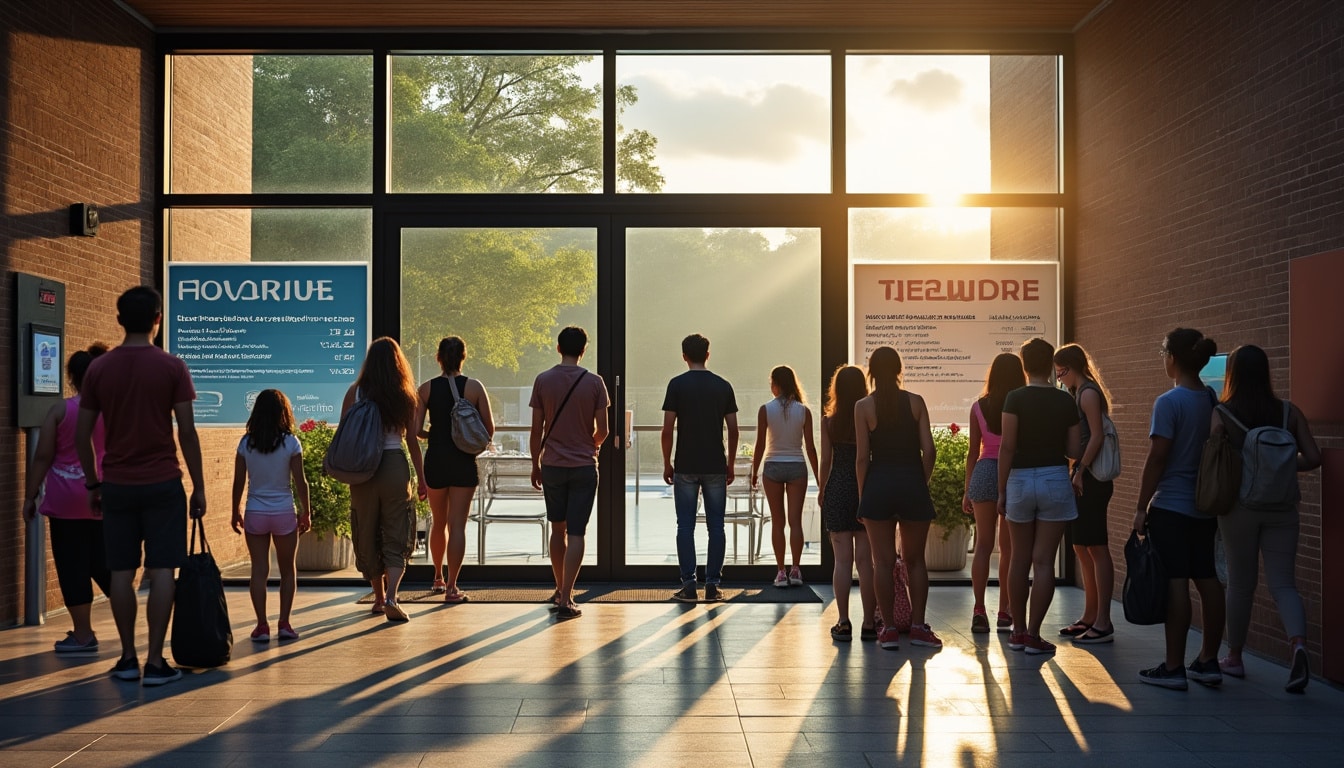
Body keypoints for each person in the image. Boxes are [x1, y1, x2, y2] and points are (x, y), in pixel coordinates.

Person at [76, 286, 206, 686]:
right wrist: (199, 486)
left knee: (121, 570)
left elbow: (83, 435)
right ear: (157, 319)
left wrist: (93, 483)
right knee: (162, 568)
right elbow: (187, 431)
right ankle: (155, 662)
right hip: (163, 482)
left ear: (119, 320)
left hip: (116, 483)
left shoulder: (99, 369)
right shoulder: (172, 367)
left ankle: (127, 658)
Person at [1212, 344, 1321, 692]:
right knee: (1284, 583)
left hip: (1240, 508)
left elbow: (1214, 460)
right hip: (1283, 508)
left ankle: (1234, 657)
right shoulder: (1290, 412)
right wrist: (1281, 468)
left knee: (1241, 583)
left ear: (1233, 374)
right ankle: (1298, 645)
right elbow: (1313, 457)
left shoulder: (1222, 414)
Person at [1134, 328, 1224, 690]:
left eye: (1163, 353)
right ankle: (1209, 660)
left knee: (1176, 581)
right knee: (1207, 578)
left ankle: (1173, 667)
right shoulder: (1211, 398)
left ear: (1172, 358)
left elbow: (1157, 458)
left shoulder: (1168, 402)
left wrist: (1141, 507)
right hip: (1205, 506)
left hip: (1171, 506)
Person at [22, 344, 111, 655]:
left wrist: (30, 496)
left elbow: (43, 456)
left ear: (72, 377)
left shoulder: (60, 410)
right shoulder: (113, 411)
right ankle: (133, 631)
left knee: (73, 567)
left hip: (65, 503)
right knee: (109, 567)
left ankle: (83, 635)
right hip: (105, 498)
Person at [998, 337, 1080, 656]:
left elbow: (1007, 446)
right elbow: (1073, 449)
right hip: (1054, 478)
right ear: (1050, 365)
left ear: (1024, 365)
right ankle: (1034, 635)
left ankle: (1017, 632)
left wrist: (1001, 490)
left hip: (1019, 480)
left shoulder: (1014, 397)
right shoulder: (1065, 401)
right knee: (1044, 561)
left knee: (1019, 558)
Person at [856, 346, 941, 650]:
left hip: (878, 487)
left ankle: (889, 629)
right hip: (911, 484)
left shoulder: (863, 407)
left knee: (882, 562)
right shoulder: (916, 402)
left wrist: (864, 496)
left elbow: (862, 458)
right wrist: (920, 482)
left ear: (872, 372)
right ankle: (917, 627)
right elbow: (929, 451)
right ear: (898, 370)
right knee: (915, 561)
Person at [341, 337, 427, 623]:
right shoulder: (405, 394)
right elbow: (412, 441)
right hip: (393, 466)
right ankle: (392, 596)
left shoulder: (355, 392)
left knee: (366, 530)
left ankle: (378, 598)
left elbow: (344, 433)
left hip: (362, 470)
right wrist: (422, 479)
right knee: (397, 531)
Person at [529, 326, 610, 621]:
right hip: (584, 466)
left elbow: (536, 429)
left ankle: (558, 589)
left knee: (557, 529)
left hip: (552, 464)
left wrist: (535, 464)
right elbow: (604, 430)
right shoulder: (595, 382)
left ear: (558, 348)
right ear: (584, 350)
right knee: (577, 533)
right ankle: (567, 596)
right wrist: (592, 445)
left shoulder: (543, 380)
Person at [415, 336, 494, 603]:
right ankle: (452, 587)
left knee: (438, 522)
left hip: (436, 460)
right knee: (457, 525)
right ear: (463, 357)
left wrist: (434, 435)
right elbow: (489, 430)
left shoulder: (425, 389)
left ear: (438, 358)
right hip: (463, 461)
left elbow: (416, 430)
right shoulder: (474, 387)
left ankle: (437, 576)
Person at [662, 334, 739, 603]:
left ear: (684, 356)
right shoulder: (723, 386)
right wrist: (730, 463)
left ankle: (689, 585)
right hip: (715, 464)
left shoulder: (676, 385)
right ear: (708, 354)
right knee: (716, 526)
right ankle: (713, 585)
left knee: (685, 526)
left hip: (685, 464)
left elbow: (667, 429)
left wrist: (667, 462)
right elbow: (733, 430)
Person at [230, 389, 311, 642]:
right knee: (288, 571)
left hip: (255, 511)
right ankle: (284, 624)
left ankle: (262, 626)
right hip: (284, 511)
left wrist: (235, 511)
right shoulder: (291, 443)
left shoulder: (246, 443)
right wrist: (306, 512)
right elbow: (301, 482)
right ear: (283, 412)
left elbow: (238, 482)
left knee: (259, 571)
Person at [1053, 343, 1118, 645]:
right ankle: (1090, 615)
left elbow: (1097, 436)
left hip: (1092, 478)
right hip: (1081, 476)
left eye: (1061, 372)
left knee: (1097, 546)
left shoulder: (1088, 393)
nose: (1060, 378)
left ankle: (1103, 621)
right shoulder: (1077, 392)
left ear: (1072, 367)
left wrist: (1080, 470)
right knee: (1081, 545)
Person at [962, 352, 1023, 635]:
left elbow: (972, 451)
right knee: (1008, 548)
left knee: (983, 546)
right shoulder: (1022, 404)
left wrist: (967, 489)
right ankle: (1004, 611)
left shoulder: (978, 406)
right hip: (1013, 472)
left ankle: (979, 610)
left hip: (984, 472)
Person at [819, 365, 877, 641]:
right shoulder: (870, 418)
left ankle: (843, 622)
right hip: (866, 489)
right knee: (866, 563)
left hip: (838, 488)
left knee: (842, 562)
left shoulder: (829, 422)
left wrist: (823, 489)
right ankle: (869, 623)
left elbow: (826, 461)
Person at [751, 365, 820, 589]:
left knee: (778, 522)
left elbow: (760, 445)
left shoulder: (765, 410)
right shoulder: (804, 411)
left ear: (776, 385)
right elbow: (810, 448)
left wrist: (754, 472)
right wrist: (819, 478)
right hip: (797, 466)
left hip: (772, 466)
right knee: (795, 522)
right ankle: (796, 569)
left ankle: (781, 572)